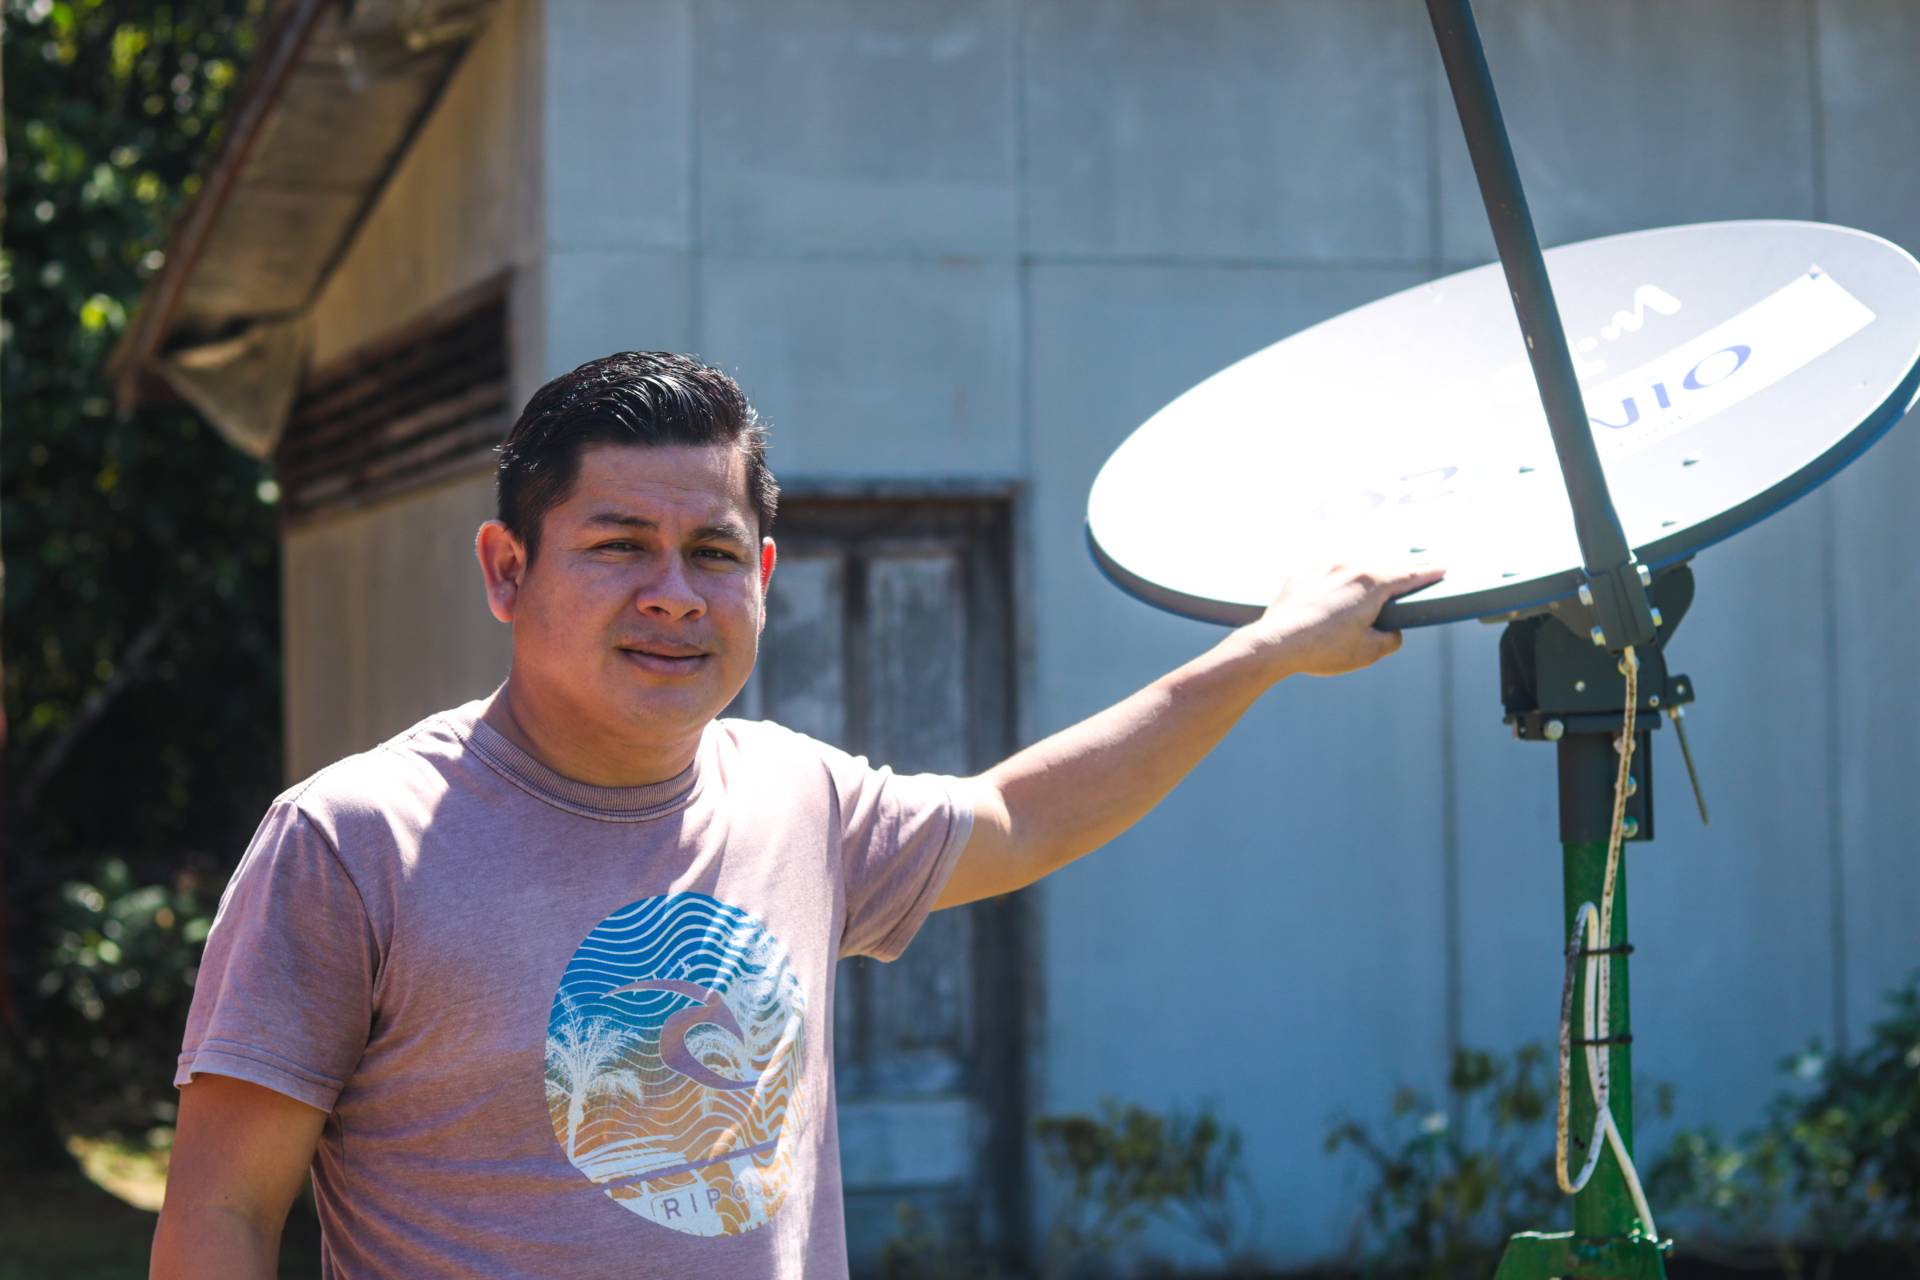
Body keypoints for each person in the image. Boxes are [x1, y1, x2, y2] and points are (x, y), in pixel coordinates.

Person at [150, 351, 1442, 1279]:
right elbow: (221, 1214)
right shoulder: (352, 841)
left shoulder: (799, 798)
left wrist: (1266, 653)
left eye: (712, 552)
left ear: (761, 578)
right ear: (507, 569)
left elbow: (1019, 816)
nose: (673, 593)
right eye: (616, 545)